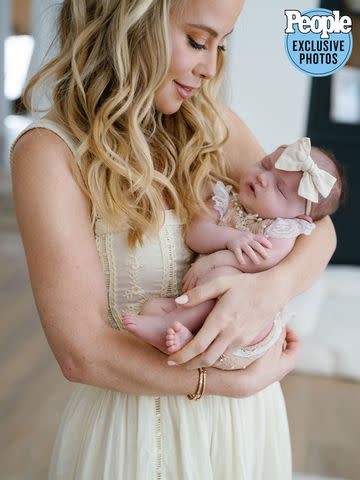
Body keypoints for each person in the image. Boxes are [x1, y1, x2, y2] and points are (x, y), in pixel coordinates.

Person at [9, 1, 337, 478]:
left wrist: (271, 287)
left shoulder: (207, 123)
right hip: (136, 432)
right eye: (197, 41)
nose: (209, 69)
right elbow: (82, 354)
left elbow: (315, 224)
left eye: (221, 47)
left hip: (245, 427)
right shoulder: (49, 153)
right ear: (129, 22)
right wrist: (232, 384)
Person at [121, 137, 344, 370]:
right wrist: (231, 238)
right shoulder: (226, 200)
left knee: (223, 279)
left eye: (279, 188)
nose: (262, 178)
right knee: (151, 308)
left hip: (245, 327)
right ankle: (182, 337)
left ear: (299, 217)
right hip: (198, 304)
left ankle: (171, 327)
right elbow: (195, 235)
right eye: (265, 165)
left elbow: (261, 261)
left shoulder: (282, 229)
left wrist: (217, 259)